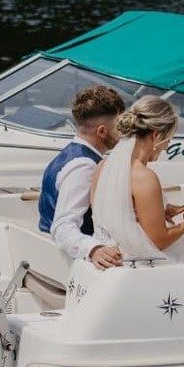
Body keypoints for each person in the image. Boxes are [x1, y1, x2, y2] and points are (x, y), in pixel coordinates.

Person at [88, 95, 184, 263]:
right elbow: (158, 241)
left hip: (108, 258)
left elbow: (119, 209)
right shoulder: (144, 177)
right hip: (139, 264)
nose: (168, 145)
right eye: (169, 138)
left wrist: (164, 209)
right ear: (156, 135)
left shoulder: (102, 166)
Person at [39, 85, 126, 269]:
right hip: (71, 265)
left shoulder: (70, 155)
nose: (124, 133)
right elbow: (63, 226)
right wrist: (94, 249)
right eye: (120, 126)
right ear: (102, 131)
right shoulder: (84, 166)